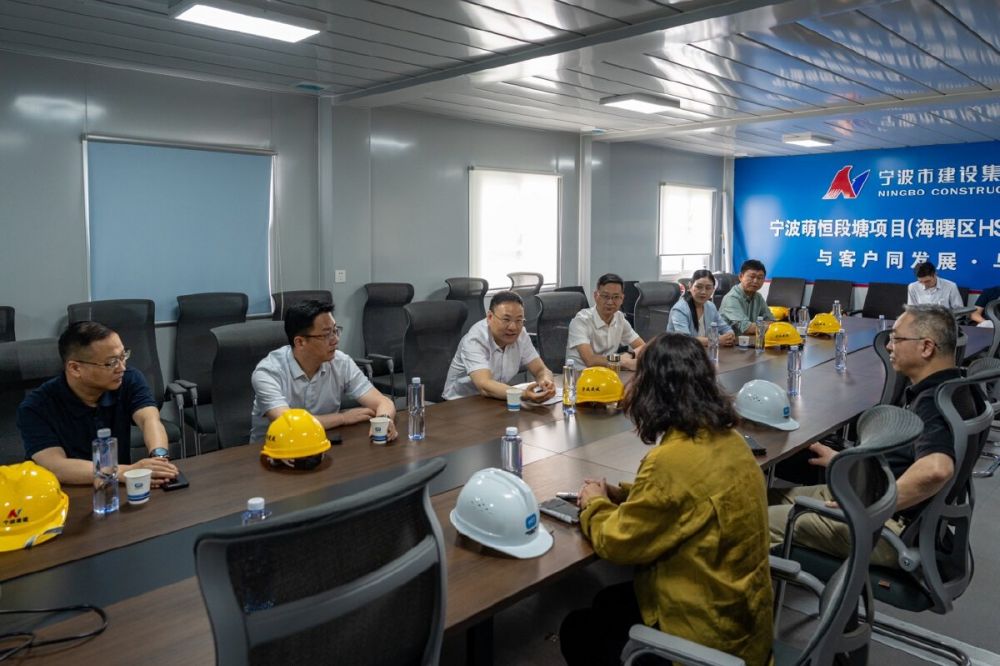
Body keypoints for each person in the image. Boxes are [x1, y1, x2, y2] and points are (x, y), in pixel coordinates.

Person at [560, 334, 773, 666]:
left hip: (704, 640)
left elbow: (616, 543)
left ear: (652, 390)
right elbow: (685, 496)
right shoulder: (731, 440)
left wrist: (594, 504)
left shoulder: (669, 461)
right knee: (607, 601)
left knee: (577, 629)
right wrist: (626, 494)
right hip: (744, 624)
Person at [769, 304, 980, 567]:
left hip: (887, 526)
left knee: (752, 521)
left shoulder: (934, 402)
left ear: (926, 347)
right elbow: (908, 458)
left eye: (897, 339)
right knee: (758, 499)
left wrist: (871, 507)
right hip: (878, 497)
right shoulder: (954, 388)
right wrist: (846, 459)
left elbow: (936, 469)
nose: (889, 346)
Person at [16, 321, 178, 486]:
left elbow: (149, 420)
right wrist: (125, 471)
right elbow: (56, 466)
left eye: (123, 356)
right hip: (64, 492)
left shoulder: (128, 379)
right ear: (75, 368)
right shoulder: (35, 407)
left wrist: (159, 459)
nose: (121, 368)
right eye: (111, 362)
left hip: (115, 489)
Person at [250, 300, 396, 443]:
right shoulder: (268, 372)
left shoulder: (340, 362)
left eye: (335, 331)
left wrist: (385, 420)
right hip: (272, 450)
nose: (335, 339)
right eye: (326, 335)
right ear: (300, 342)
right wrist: (342, 418)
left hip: (322, 444)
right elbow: (289, 424)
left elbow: (383, 402)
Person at [442, 291, 556, 402]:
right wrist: (524, 395)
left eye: (519, 320)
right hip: (459, 404)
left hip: (494, 400)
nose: (513, 327)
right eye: (506, 319)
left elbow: (540, 370)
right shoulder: (475, 339)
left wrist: (546, 382)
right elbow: (485, 386)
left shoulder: (521, 334)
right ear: (490, 317)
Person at [565, 273, 644, 371]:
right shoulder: (581, 321)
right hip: (581, 375)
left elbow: (643, 347)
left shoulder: (619, 318)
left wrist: (630, 354)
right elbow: (590, 360)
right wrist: (624, 362)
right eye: (605, 296)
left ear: (622, 299)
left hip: (608, 374)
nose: (610, 302)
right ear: (596, 296)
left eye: (616, 297)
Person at [667, 269, 736, 347]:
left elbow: (725, 328)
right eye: (699, 287)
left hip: (703, 351)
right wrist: (717, 340)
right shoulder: (680, 309)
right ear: (690, 286)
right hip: (679, 352)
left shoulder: (711, 307)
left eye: (708, 288)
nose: (703, 292)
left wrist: (730, 335)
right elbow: (685, 340)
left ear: (713, 290)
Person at [718, 259, 774, 335]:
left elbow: (771, 320)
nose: (755, 281)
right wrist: (768, 325)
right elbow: (747, 328)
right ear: (741, 277)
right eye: (752, 277)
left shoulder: (758, 297)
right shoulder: (731, 298)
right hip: (729, 341)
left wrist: (765, 325)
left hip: (749, 340)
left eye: (759, 278)